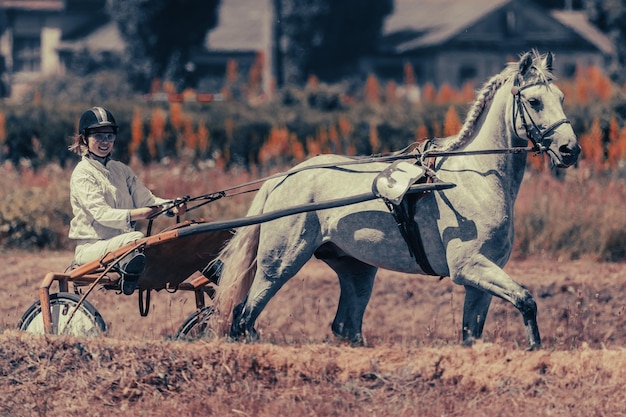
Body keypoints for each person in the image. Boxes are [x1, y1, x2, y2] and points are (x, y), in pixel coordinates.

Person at [68, 106, 185, 295]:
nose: (105, 142)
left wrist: (172, 207)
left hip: (124, 245)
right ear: (84, 139)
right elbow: (102, 214)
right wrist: (139, 214)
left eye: (109, 136)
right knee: (137, 239)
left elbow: (147, 200)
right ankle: (129, 278)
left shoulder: (121, 170)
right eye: (98, 136)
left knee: (174, 236)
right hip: (92, 248)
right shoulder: (82, 174)